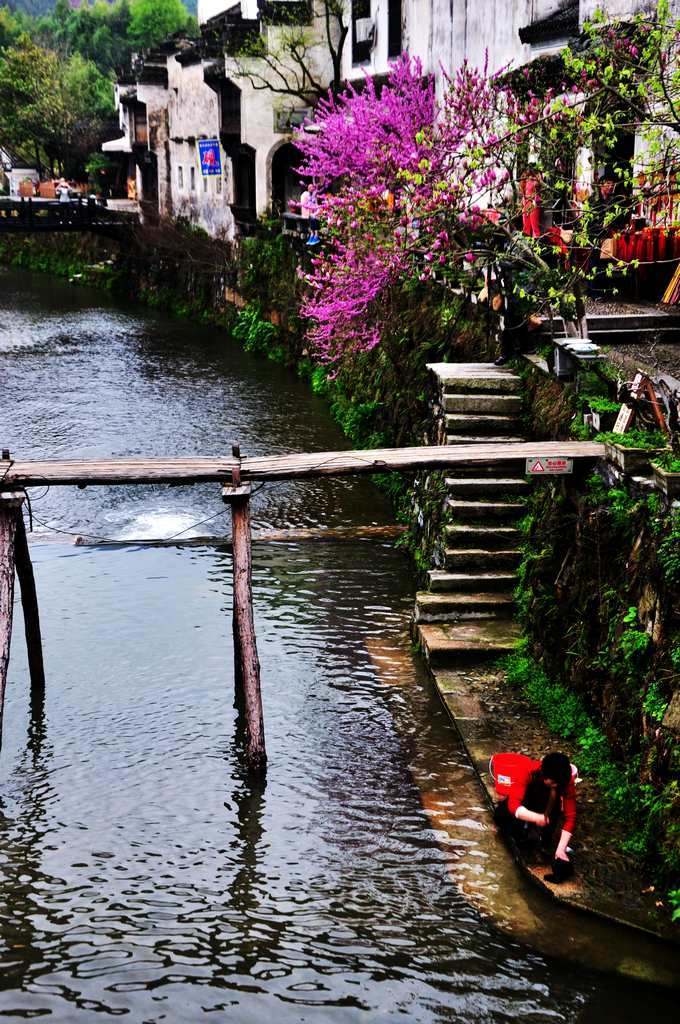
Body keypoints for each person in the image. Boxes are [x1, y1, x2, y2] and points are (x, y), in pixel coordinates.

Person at [490, 750, 577, 881]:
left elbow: (570, 817)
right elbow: (513, 805)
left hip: (549, 806)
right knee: (501, 817)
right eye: (553, 783)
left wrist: (561, 849)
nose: (556, 786)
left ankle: (544, 842)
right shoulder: (528, 771)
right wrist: (536, 817)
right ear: (545, 775)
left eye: (558, 785)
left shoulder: (566, 780)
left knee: (547, 838)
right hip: (527, 799)